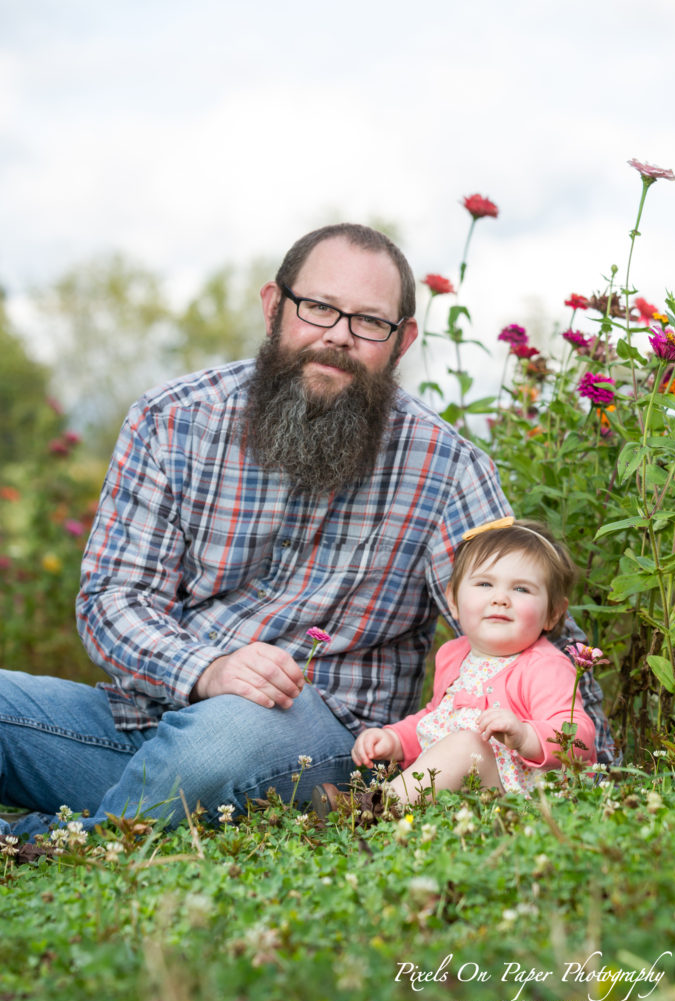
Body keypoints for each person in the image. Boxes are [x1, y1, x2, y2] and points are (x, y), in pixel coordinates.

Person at [0, 224, 613, 843]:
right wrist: (207, 669)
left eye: (369, 322)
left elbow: (525, 615)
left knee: (223, 742)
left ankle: (56, 843)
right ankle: (137, 812)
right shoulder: (172, 421)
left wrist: (585, 757)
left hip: (314, 745)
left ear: (401, 342)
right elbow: (112, 599)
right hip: (142, 719)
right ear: (274, 307)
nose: (338, 336)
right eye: (317, 307)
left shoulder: (446, 467)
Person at [312, 520, 596, 818]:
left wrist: (527, 736)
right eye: (485, 584)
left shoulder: (546, 666)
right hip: (470, 793)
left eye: (521, 588)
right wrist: (395, 740)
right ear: (453, 601)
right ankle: (400, 811)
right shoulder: (454, 655)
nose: (500, 598)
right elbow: (437, 718)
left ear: (552, 613)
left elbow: (579, 736)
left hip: (523, 798)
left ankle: (370, 810)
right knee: (459, 743)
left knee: (467, 745)